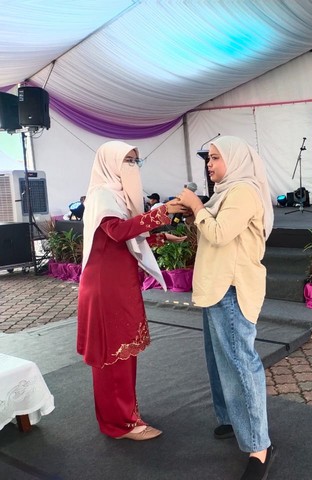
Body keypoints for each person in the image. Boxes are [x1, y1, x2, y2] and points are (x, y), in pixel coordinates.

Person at [177, 136, 275, 480]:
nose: (209, 164)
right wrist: (193, 211)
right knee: (219, 361)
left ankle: (259, 446)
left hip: (232, 288)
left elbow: (219, 233)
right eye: (209, 158)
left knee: (240, 365)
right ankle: (233, 419)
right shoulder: (225, 193)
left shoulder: (243, 191)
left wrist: (196, 205)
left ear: (235, 160)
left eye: (216, 158)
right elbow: (212, 232)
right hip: (217, 287)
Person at [77, 140, 187, 441]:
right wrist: (161, 212)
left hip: (116, 281)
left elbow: (119, 240)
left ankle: (124, 416)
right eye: (127, 160)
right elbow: (117, 232)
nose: (133, 167)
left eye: (136, 161)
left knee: (123, 351)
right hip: (106, 285)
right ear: (110, 163)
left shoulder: (116, 195)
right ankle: (120, 424)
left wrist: (158, 237)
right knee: (114, 353)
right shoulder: (102, 195)